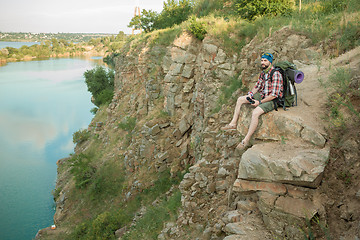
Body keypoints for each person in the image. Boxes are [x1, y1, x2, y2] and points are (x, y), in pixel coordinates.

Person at [221, 53, 283, 149]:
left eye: (265, 60)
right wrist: (251, 94)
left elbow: (274, 95)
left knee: (255, 113)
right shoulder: (263, 73)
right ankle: (233, 123)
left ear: (270, 62)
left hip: (272, 100)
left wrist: (260, 102)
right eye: (262, 60)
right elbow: (257, 86)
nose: (262, 62)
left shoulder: (275, 74)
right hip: (263, 95)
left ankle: (245, 140)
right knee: (240, 99)